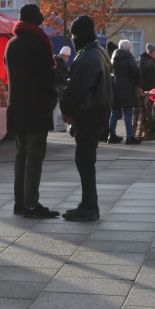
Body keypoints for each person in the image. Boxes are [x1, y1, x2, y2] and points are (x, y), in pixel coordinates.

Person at [5, 4, 60, 218]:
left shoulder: (11, 43)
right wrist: (53, 97)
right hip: (35, 108)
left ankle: (20, 202)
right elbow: (47, 77)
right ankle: (30, 204)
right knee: (34, 157)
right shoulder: (38, 43)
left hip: (17, 108)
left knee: (21, 155)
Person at [59, 15, 112, 222]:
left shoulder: (87, 57)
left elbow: (76, 90)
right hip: (98, 113)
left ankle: (89, 207)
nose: (72, 38)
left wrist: (67, 108)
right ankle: (88, 204)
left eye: (73, 34)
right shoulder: (99, 52)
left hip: (89, 115)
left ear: (78, 34)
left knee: (85, 162)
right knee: (86, 161)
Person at [107, 39, 141, 145]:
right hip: (128, 88)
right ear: (129, 48)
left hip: (116, 87)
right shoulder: (129, 58)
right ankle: (129, 136)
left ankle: (111, 135)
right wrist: (138, 84)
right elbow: (136, 71)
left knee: (115, 112)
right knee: (128, 113)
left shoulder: (114, 57)